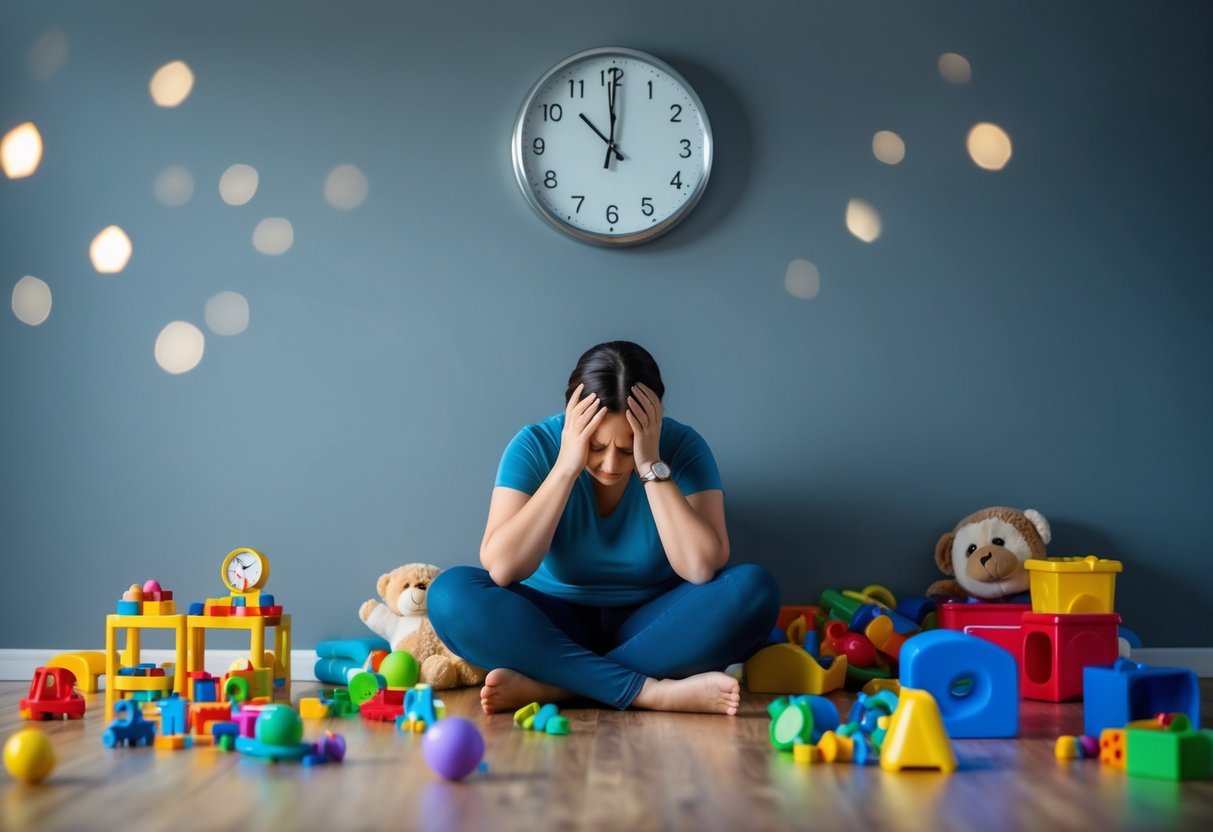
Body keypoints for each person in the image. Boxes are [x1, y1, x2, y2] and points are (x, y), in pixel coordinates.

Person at [428, 341, 779, 715]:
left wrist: (649, 464)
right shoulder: (534, 445)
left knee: (754, 589)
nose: (611, 464)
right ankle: (651, 692)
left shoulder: (684, 447)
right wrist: (566, 465)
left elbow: (699, 567)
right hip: (549, 626)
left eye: (626, 449)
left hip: (655, 626)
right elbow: (503, 566)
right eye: (596, 446)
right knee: (450, 594)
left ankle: (558, 687)